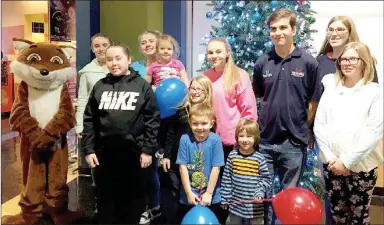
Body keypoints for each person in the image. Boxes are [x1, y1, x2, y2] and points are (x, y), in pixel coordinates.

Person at [252, 9, 321, 225]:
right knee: (263, 195)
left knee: (290, 197)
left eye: (283, 27)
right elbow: (262, 96)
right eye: (273, 29)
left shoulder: (309, 63)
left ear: (293, 29)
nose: (278, 33)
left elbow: (313, 102)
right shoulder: (262, 62)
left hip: (293, 142)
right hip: (266, 142)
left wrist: (299, 124)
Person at [81, 42, 160, 224]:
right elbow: (89, 119)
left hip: (134, 155)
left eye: (118, 58)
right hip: (104, 156)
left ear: (129, 60)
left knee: (133, 201)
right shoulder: (100, 86)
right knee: (106, 201)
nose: (114, 63)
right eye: (109, 59)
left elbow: (152, 120)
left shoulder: (141, 86)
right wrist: (89, 149)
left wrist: (148, 150)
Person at [314, 41, 383, 225]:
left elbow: (374, 132)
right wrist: (330, 158)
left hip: (361, 167)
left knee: (358, 218)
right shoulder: (331, 88)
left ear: (364, 62)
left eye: (353, 58)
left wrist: (347, 161)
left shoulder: (375, 92)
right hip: (332, 165)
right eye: (344, 59)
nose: (347, 63)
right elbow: (319, 125)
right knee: (337, 216)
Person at [157, 75, 214, 223]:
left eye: (199, 89)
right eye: (192, 88)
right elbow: (170, 133)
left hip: (196, 160)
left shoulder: (209, 112)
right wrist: (167, 155)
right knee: (176, 191)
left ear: (206, 92)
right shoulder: (182, 110)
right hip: (177, 157)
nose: (194, 92)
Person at [203, 37, 258, 162]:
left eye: (218, 51)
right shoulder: (205, 76)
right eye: (210, 53)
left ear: (227, 52)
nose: (214, 56)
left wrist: (243, 137)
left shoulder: (239, 75)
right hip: (210, 139)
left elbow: (249, 111)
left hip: (234, 142)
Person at [175, 103, 225, 224]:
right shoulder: (185, 139)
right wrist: (188, 193)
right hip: (190, 194)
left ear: (211, 123)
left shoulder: (216, 140)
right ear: (190, 123)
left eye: (204, 123)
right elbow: (182, 168)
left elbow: (216, 168)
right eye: (195, 124)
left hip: (211, 194)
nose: (200, 127)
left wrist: (208, 193)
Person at [221, 119, 271, 225]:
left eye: (249, 136)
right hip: (235, 205)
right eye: (241, 136)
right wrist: (225, 198)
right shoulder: (232, 156)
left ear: (255, 138)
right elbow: (226, 178)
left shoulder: (259, 158)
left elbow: (266, 179)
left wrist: (259, 192)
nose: (245, 140)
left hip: (254, 208)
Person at [317, 16, 378, 85]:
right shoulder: (319, 61)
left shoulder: (364, 60)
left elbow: (372, 89)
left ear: (350, 33)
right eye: (330, 29)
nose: (334, 34)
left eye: (340, 29)